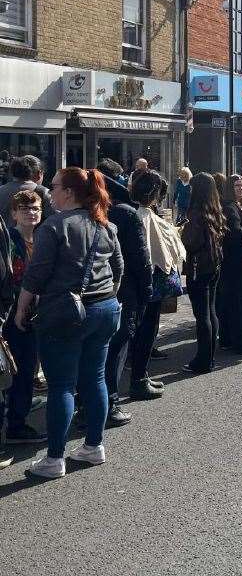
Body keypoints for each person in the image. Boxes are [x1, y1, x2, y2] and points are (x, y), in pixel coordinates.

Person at [13, 168, 123, 480]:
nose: (50, 190)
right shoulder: (106, 225)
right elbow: (119, 267)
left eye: (55, 186)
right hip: (105, 308)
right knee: (95, 378)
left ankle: (55, 458)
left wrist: (22, 307)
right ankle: (93, 445)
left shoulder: (55, 226)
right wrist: (107, 295)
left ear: (70, 192)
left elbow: (37, 273)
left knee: (61, 385)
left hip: (65, 311)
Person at [95, 159, 153, 426]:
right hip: (122, 290)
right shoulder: (126, 213)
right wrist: (147, 289)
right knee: (115, 350)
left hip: (93, 291)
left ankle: (90, 404)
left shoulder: (87, 211)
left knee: (96, 353)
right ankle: (109, 404)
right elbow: (140, 258)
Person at [128, 171, 183, 400]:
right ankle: (139, 378)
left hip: (138, 281)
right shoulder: (141, 216)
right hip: (148, 281)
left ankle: (142, 374)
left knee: (141, 328)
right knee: (146, 328)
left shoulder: (132, 212)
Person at [2, 191, 46, 445]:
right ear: (14, 213)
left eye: (36, 208)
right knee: (19, 369)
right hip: (14, 316)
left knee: (27, 368)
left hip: (34, 314)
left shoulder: (41, 239)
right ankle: (16, 425)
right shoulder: (10, 240)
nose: (31, 212)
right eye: (25, 208)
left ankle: (18, 412)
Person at [180, 173, 225, 375]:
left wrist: (182, 232)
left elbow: (192, 243)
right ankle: (210, 357)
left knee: (202, 315)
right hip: (213, 264)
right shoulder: (215, 210)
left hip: (199, 266)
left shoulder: (196, 213)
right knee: (211, 310)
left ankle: (203, 360)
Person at [213, 174, 242, 354]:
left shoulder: (233, 205)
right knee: (238, 303)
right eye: (237, 186)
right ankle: (241, 341)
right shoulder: (230, 207)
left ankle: (227, 339)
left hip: (237, 262)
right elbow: (235, 233)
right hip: (238, 262)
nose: (241, 189)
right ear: (229, 188)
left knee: (229, 302)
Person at [0, 155, 54, 228]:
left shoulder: (1, 190)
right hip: (33, 238)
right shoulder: (43, 192)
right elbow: (54, 221)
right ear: (39, 174)